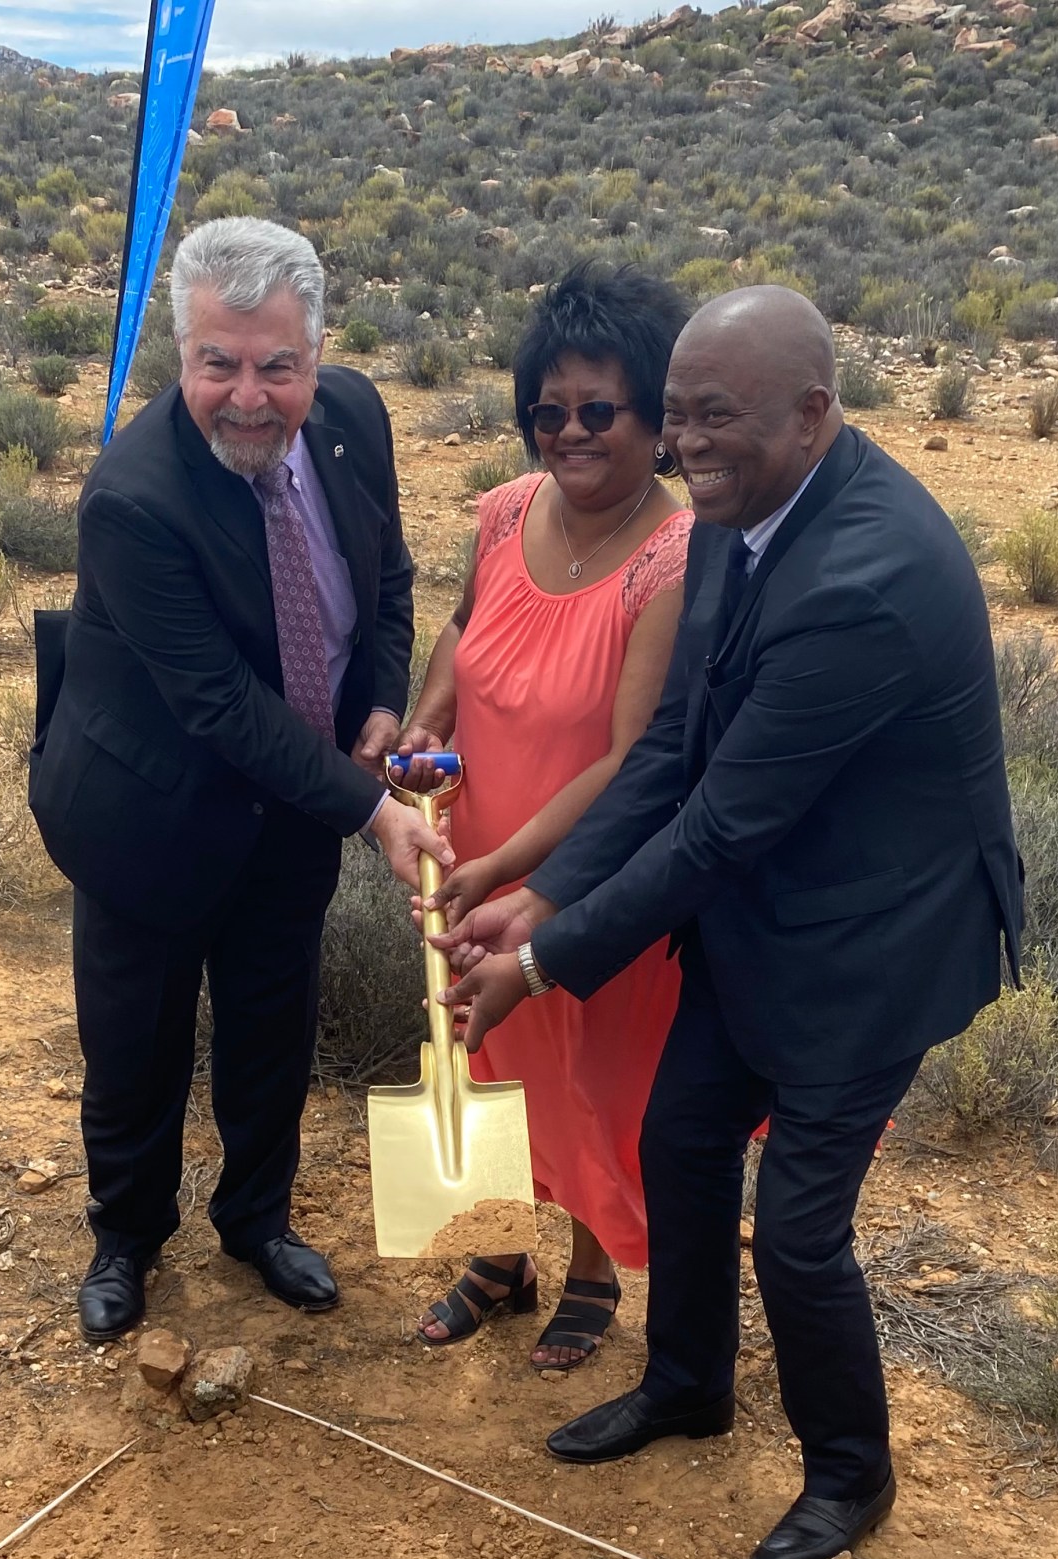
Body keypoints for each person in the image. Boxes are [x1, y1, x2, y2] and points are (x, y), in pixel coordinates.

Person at [436, 285, 1023, 1559]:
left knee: (802, 1227)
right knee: (681, 1138)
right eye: (681, 415)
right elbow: (674, 760)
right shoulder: (736, 515)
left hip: (870, 952)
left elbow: (719, 828)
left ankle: (848, 1472)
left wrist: (539, 961)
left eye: (719, 418)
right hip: (762, 921)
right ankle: (689, 1381)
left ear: (815, 412)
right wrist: (551, 889)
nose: (688, 443)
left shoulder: (864, 578)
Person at [30, 216, 449, 1343]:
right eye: (220, 363)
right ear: (183, 357)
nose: (250, 396)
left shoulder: (355, 419)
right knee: (137, 1041)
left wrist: (378, 700)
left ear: (318, 354)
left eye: (278, 365)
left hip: (291, 806)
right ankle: (127, 1237)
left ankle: (257, 1221)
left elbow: (390, 577)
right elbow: (216, 704)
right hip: (150, 812)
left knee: (274, 1021)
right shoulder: (135, 496)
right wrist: (369, 808)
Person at [395, 265, 693, 1368]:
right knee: (480, 1050)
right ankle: (497, 1250)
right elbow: (463, 633)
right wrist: (428, 715)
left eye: (599, 411)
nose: (570, 434)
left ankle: (594, 1268)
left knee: (590, 1073)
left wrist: (510, 868)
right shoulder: (507, 512)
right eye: (548, 412)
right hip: (471, 847)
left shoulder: (673, 558)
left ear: (654, 417)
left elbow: (629, 761)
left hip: (582, 873)